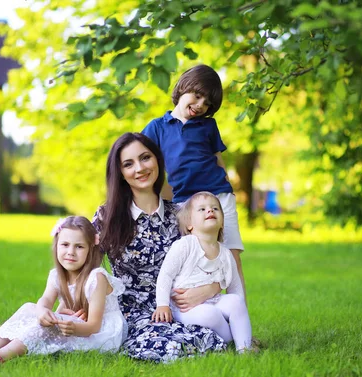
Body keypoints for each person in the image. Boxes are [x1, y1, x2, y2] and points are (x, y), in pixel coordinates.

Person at [93, 132, 227, 362]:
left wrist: (212, 288)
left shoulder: (181, 214)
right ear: (121, 174)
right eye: (128, 164)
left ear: (157, 161)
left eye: (145, 158)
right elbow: (84, 268)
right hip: (132, 314)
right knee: (171, 347)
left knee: (209, 339)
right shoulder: (108, 215)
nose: (140, 168)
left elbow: (214, 260)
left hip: (180, 308)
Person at [0, 216, 127, 368]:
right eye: (65, 245)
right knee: (29, 308)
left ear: (90, 250)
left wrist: (74, 327)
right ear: (57, 246)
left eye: (79, 247)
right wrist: (42, 311)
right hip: (78, 323)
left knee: (44, 326)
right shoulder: (56, 275)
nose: (70, 252)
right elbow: (45, 300)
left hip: (101, 333)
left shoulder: (97, 278)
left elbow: (94, 326)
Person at [141, 64, 246, 295]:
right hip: (185, 202)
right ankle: (199, 319)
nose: (200, 105)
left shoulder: (208, 125)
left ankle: (240, 322)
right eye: (197, 96)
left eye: (207, 103)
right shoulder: (157, 127)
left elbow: (217, 158)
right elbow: (144, 160)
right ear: (182, 88)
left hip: (218, 195)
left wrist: (228, 187)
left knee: (230, 255)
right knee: (191, 259)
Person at [151, 192, 252, 352]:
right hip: (184, 308)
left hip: (213, 299)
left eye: (215, 208)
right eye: (202, 209)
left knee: (236, 302)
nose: (210, 211)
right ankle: (231, 339)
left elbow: (235, 287)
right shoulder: (185, 245)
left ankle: (245, 348)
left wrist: (238, 312)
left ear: (222, 223)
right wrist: (163, 305)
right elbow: (166, 275)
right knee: (209, 314)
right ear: (190, 224)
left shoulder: (225, 253)